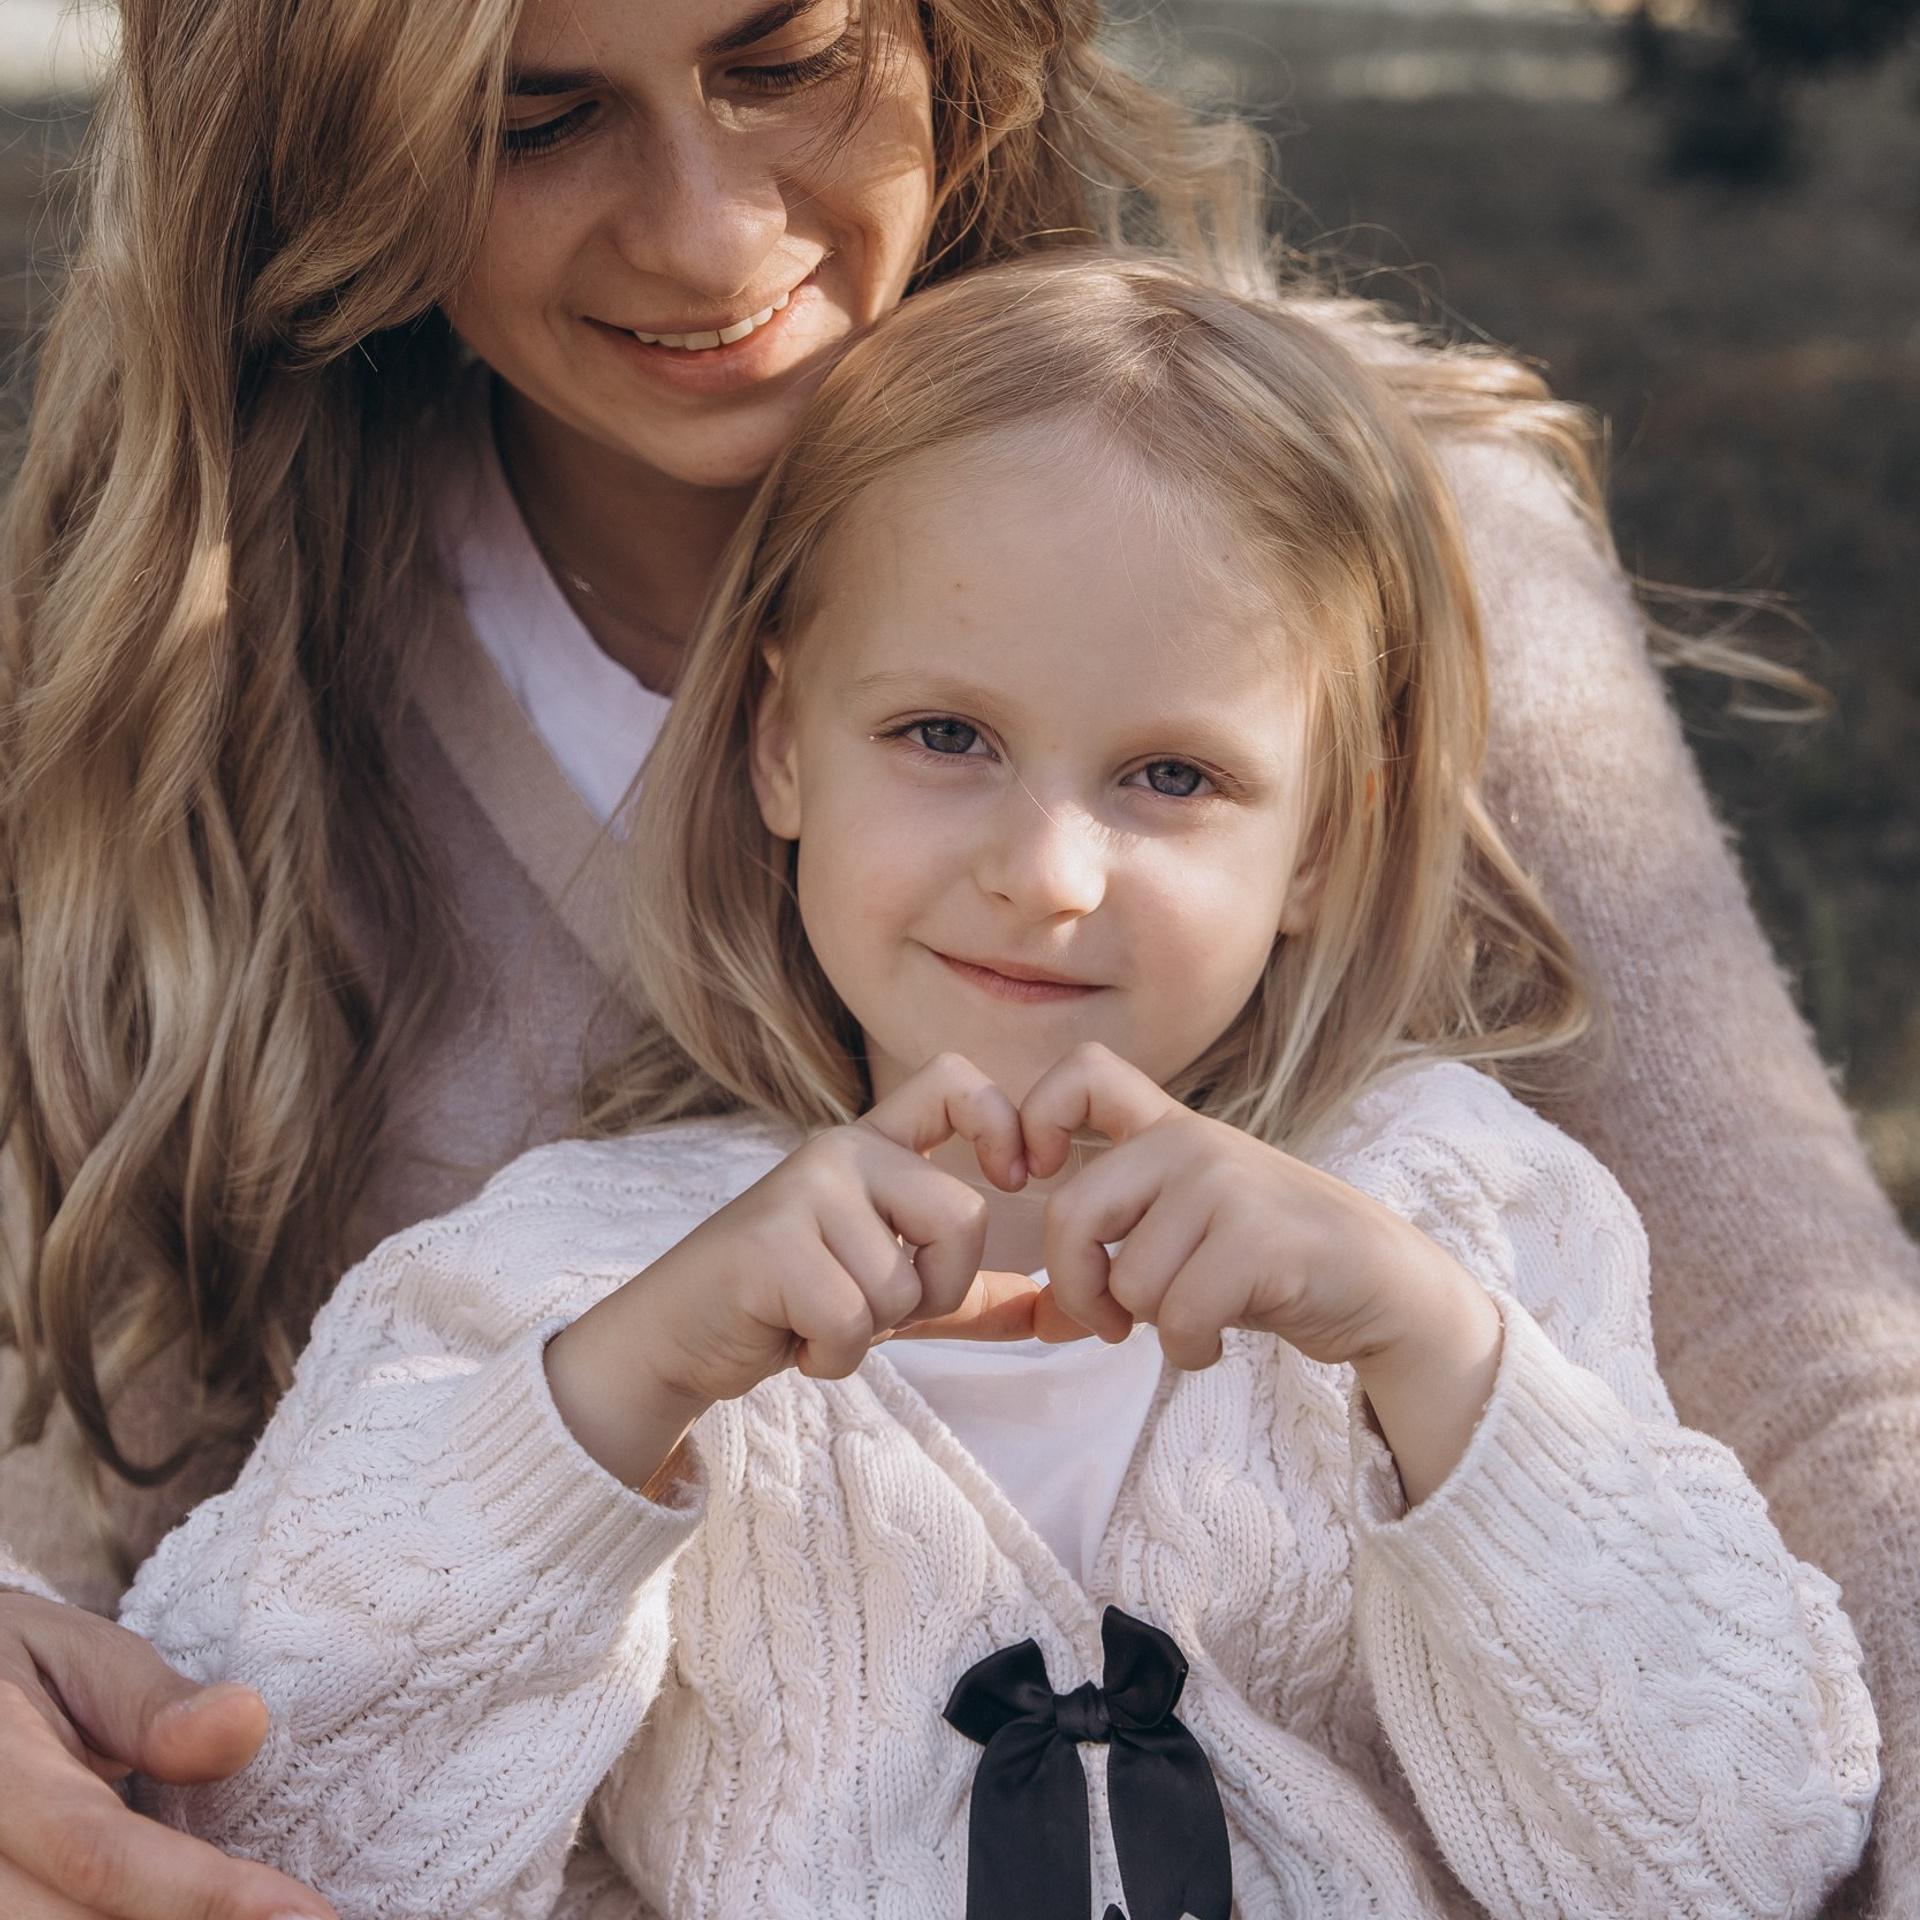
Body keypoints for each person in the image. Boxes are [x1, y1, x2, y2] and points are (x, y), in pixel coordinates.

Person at [0, 1, 1915, 1917]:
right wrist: (593, 1410)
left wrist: (1445, 1370)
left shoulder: (1465, 1216)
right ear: (774, 741)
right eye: (537, 120)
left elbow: (1772, 1683)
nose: (704, 234)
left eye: (781, 62)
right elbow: (228, 1747)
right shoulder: (541, 1273)